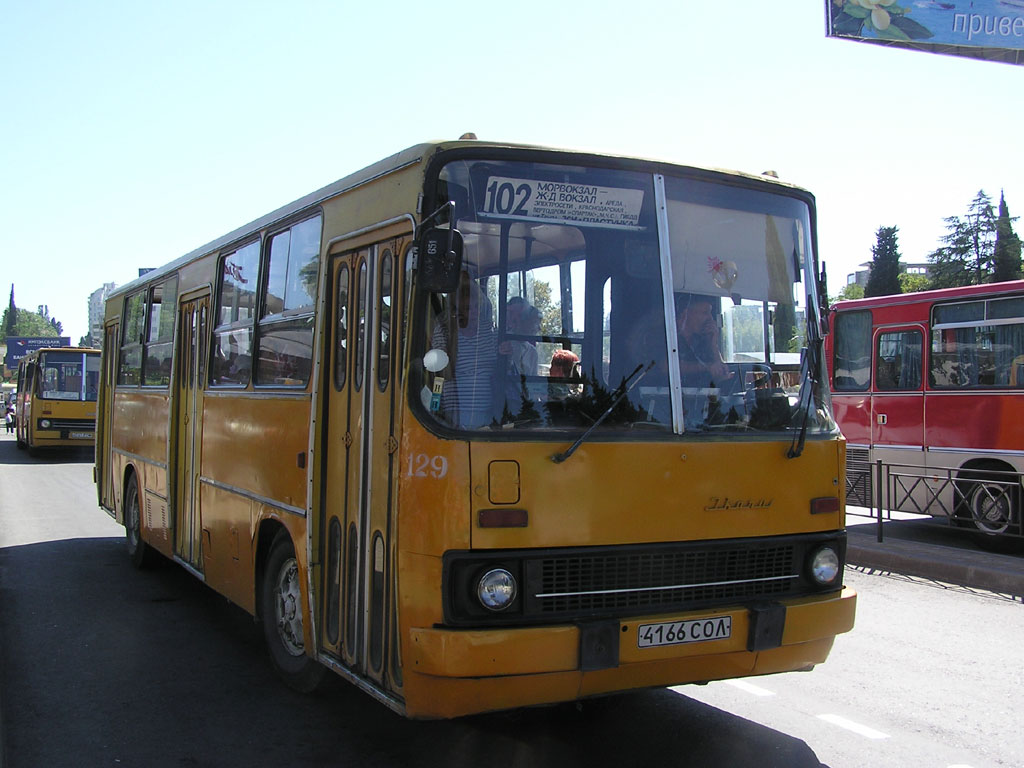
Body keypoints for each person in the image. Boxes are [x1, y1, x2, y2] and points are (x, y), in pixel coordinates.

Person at [429, 271, 498, 428]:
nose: (474, 312)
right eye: (467, 308)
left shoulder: (489, 330)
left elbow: (501, 367)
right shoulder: (445, 331)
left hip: (491, 412)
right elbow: (439, 375)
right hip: (456, 415)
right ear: (455, 309)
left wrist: (506, 353)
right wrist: (435, 406)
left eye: (476, 306)